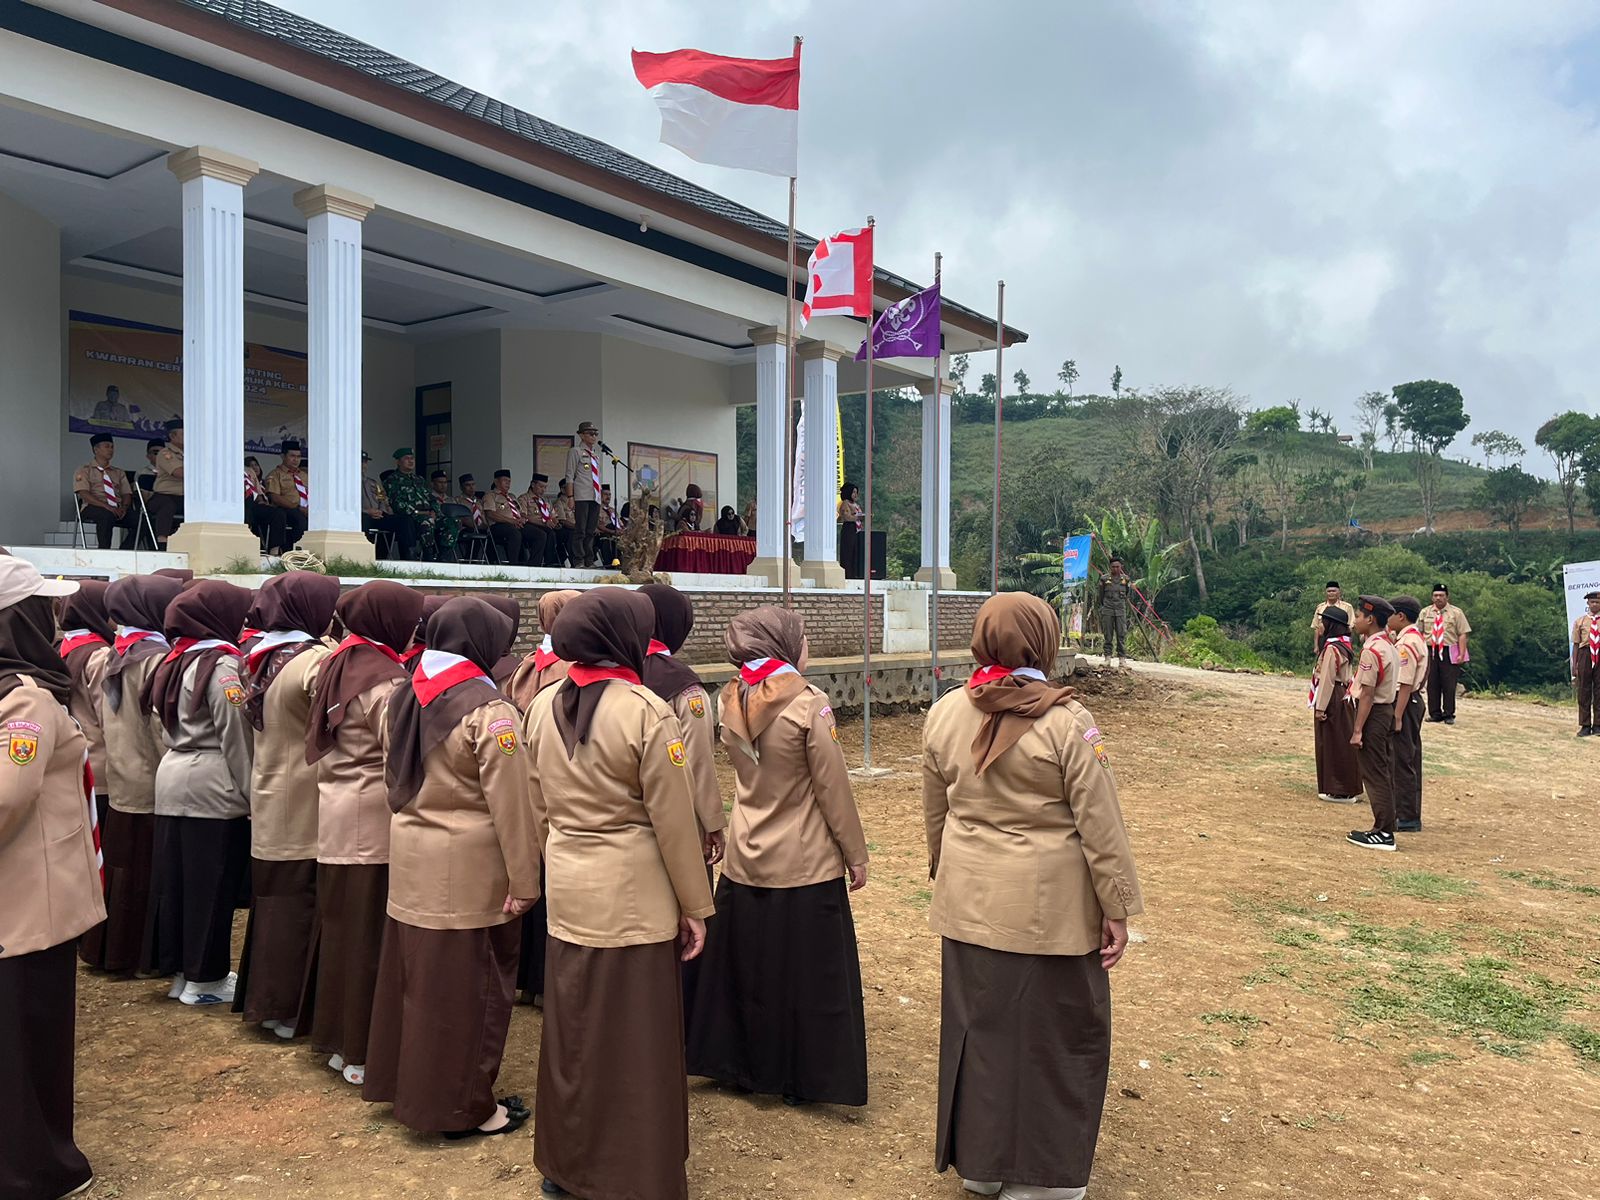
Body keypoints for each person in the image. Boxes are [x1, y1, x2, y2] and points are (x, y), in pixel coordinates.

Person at [921, 592, 1143, 1200]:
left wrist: (947, 871)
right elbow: (1101, 826)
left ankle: (981, 1165)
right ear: (1042, 641)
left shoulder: (945, 711)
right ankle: (1040, 1179)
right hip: (1049, 913)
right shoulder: (1067, 722)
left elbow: (937, 811)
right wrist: (1118, 907)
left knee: (978, 1034)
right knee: (1054, 1037)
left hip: (968, 904)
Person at [522, 588, 714, 1200]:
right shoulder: (645, 711)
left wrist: (555, 864)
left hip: (570, 887)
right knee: (636, 1035)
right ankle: (634, 1171)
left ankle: (565, 1163)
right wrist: (695, 905)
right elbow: (674, 823)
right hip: (634, 896)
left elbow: (536, 806)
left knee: (573, 1029)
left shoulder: (542, 703)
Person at [363, 597, 538, 1138]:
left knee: (417, 983)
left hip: (411, 857)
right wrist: (526, 879)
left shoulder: (402, 693)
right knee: (469, 990)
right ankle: (464, 1108)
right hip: (469, 869)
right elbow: (512, 806)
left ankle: (407, 1086)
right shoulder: (490, 711)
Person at [687, 606, 870, 1108]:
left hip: (747, 849)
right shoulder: (809, 704)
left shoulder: (730, 696)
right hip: (803, 857)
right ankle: (801, 1075)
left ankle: (741, 1065)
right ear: (784, 644)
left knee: (749, 968)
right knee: (804, 974)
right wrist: (855, 852)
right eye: (802, 637)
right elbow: (832, 788)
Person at [0, 558, 103, 1200]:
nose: (55, 619)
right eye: (44, 608)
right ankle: (34, 1167)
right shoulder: (25, 700)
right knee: (28, 1035)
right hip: (30, 899)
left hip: (22, 893)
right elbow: (8, 796)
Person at [304, 581, 424, 1088]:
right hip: (370, 826)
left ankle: (337, 1041)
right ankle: (360, 1051)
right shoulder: (384, 680)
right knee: (368, 941)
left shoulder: (340, 661)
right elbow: (399, 756)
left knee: (341, 935)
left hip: (335, 813)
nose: (414, 628)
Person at [233, 572, 340, 1039]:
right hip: (305, 796)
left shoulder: (257, 655)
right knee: (299, 906)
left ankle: (264, 998)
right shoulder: (315, 661)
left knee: (273, 901)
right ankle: (287, 1008)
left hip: (268, 787)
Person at [142, 579, 255, 1004]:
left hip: (173, 776)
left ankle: (181, 974)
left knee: (177, 885)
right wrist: (252, 794)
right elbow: (235, 736)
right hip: (212, 785)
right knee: (211, 888)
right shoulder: (222, 667)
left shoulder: (173, 661)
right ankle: (204, 980)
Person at [638, 584, 727, 1028]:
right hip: (676, 824)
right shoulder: (683, 685)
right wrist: (712, 822)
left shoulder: (610, 673)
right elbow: (697, 763)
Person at [99, 571, 186, 977]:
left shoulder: (119, 650)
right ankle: (142, 957)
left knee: (123, 871)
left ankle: (112, 951)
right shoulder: (153, 658)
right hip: (150, 781)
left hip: (122, 775)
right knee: (147, 876)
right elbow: (160, 728)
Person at [504, 588, 579, 1005]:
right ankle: (545, 980)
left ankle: (527, 979)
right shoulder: (570, 667)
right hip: (558, 778)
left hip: (526, 774)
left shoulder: (528, 662)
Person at [58, 582, 115, 969]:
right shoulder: (98, 655)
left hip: (75, 765)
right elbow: (108, 718)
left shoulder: (61, 648)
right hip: (102, 769)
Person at [1347, 596, 1400, 852]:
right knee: (1383, 770)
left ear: (1370, 619)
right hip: (1385, 710)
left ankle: (1384, 832)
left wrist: (1357, 730)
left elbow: (1367, 693)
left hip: (1374, 714)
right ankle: (1386, 825)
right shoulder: (1388, 645)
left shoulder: (1373, 649)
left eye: (1358, 616)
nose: (1355, 621)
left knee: (1374, 773)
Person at [1310, 603, 1361, 803]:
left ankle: (1339, 788)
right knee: (1340, 739)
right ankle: (1345, 786)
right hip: (1342, 694)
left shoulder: (1332, 648)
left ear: (1332, 625)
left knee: (1333, 742)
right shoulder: (1344, 644)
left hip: (1333, 696)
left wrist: (1320, 707)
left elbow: (1327, 679)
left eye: (1323, 622)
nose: (1320, 626)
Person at [1387, 596, 1428, 833]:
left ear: (1401, 616)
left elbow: (1404, 683)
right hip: (1411, 701)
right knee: (1409, 757)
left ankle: (1406, 815)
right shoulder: (1413, 637)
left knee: (1402, 759)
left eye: (1391, 614)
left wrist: (1397, 715)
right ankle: (1408, 811)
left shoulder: (1406, 643)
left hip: (1405, 701)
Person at [385, 449, 454, 561]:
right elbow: (397, 503)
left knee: (452, 521)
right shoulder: (392, 480)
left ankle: (444, 556)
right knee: (426, 521)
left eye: (412, 458)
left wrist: (435, 511)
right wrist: (420, 513)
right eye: (407, 458)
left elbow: (431, 499)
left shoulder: (419, 479)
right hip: (411, 517)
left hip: (428, 515)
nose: (411, 461)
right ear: (398, 462)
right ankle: (428, 556)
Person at [74, 434, 137, 550]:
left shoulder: (118, 472)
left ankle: (124, 550)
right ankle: (104, 551)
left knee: (140, 520)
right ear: (96, 449)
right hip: (92, 506)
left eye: (112, 447)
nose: (111, 450)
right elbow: (84, 493)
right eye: (107, 446)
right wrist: (108, 507)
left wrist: (124, 507)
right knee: (106, 515)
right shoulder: (84, 470)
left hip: (116, 508)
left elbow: (126, 493)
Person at [1420, 584, 1470, 724]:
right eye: (1435, 595)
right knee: (1432, 683)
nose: (1438, 598)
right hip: (1430, 650)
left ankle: (1448, 714)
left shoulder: (1456, 613)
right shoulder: (1425, 612)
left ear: (1447, 597)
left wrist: (1461, 653)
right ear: (1432, 597)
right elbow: (1419, 632)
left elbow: (1462, 634)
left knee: (1449, 683)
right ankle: (1435, 713)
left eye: (1441, 595)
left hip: (1449, 650)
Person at [564, 420, 605, 567]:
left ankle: (589, 560)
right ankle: (578, 560)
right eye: (590, 433)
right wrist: (570, 497)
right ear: (581, 435)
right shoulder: (575, 451)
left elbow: (596, 477)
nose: (593, 436)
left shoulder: (596, 455)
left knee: (591, 530)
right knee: (580, 529)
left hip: (595, 496)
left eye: (595, 434)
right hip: (581, 495)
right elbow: (570, 476)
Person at [360, 450, 413, 557]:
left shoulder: (373, 483)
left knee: (404, 520)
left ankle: (408, 556)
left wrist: (381, 511)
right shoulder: (346, 482)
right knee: (364, 520)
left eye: (365, 462)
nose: (363, 465)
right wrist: (367, 511)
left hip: (378, 515)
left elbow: (383, 499)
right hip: (362, 516)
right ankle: (364, 556)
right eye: (361, 461)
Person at [262, 441, 310, 552]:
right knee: (300, 521)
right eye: (292, 456)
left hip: (308, 509)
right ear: (283, 456)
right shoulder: (275, 474)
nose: (296, 460)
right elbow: (275, 497)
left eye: (298, 456)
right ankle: (294, 552)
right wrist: (298, 508)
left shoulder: (305, 476)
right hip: (288, 509)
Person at [145, 418, 185, 549]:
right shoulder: (165, 453)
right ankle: (162, 541)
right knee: (167, 504)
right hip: (163, 496)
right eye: (183, 434)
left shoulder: (191, 453)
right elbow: (179, 472)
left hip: (184, 497)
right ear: (172, 436)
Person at [481, 470, 529, 566]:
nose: (508, 483)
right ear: (496, 482)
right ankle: (513, 564)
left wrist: (523, 518)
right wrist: (512, 521)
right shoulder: (490, 495)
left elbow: (521, 511)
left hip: (516, 524)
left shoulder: (512, 496)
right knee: (514, 533)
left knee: (539, 534)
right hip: (498, 526)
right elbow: (490, 514)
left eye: (509, 481)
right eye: (505, 480)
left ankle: (533, 564)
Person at [1097, 557, 1132, 667]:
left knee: (1121, 634)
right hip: (1108, 609)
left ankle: (1122, 659)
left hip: (1120, 610)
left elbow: (1127, 594)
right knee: (1108, 635)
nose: (1115, 569)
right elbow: (1101, 596)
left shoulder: (1125, 579)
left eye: (1117, 567)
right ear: (1110, 567)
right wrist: (1105, 606)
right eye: (1113, 567)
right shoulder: (1104, 579)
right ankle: (1107, 658)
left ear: (1121, 567)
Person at [1574, 591, 1600, 737]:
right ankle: (1585, 725)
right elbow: (1576, 645)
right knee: (1584, 690)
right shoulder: (1581, 621)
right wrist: (1575, 665)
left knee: (1599, 690)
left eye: (1598, 602)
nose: (1595, 604)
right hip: (1585, 654)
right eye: (1592, 602)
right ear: (1588, 603)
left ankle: (1598, 725)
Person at [517, 473, 557, 567]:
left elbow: (553, 516)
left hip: (544, 526)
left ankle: (550, 563)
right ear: (533, 484)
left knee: (552, 533)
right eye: (541, 486)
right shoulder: (524, 498)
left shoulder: (545, 501)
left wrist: (554, 522)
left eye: (545, 487)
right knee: (541, 535)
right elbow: (524, 516)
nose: (543, 490)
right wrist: (543, 523)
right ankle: (534, 564)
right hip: (529, 525)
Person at [1312, 582, 1357, 650]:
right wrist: (1316, 646)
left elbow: (1351, 627)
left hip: (1341, 641)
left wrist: (1349, 645)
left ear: (1339, 592)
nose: (1331, 593)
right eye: (1329, 591)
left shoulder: (1347, 607)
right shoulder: (1320, 607)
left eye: (1333, 591)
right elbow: (1316, 628)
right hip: (1323, 641)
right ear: (1325, 593)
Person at [837, 483, 864, 578]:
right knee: (848, 552)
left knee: (856, 551)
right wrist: (857, 517)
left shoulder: (856, 504)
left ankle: (855, 573)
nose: (855, 495)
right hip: (849, 529)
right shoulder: (845, 503)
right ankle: (848, 574)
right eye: (853, 492)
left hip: (857, 529)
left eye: (856, 492)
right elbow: (847, 517)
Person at [553, 478, 577, 566]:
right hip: (566, 530)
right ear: (563, 490)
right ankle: (574, 562)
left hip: (576, 528)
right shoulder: (559, 502)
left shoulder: (575, 502)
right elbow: (562, 521)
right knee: (573, 535)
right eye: (569, 487)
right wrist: (577, 527)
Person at [598, 483, 623, 564]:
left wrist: (621, 530)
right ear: (600, 495)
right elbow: (598, 525)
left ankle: (620, 564)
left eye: (609, 495)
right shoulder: (597, 509)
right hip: (603, 535)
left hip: (615, 535)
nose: (608, 497)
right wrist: (612, 531)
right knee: (607, 541)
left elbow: (620, 524)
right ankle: (610, 565)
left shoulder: (612, 510)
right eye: (605, 494)